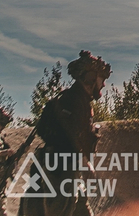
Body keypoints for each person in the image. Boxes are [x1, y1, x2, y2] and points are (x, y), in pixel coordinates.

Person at [19, 51, 111, 216]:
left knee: (81, 211)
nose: (103, 85)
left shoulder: (79, 100)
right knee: (60, 210)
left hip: (67, 167)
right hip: (60, 168)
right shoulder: (72, 100)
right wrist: (85, 163)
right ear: (90, 77)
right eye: (101, 79)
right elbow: (70, 134)